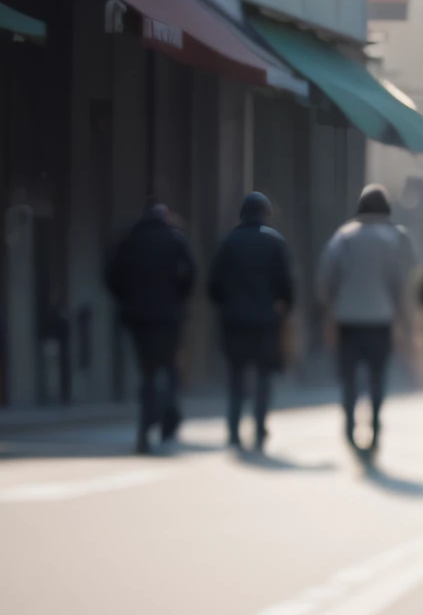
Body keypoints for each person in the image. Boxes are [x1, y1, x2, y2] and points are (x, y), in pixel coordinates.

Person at [317, 184, 413, 456]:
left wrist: (329, 313)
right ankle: (374, 429)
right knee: (377, 377)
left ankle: (349, 426)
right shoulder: (391, 238)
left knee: (348, 377)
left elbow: (326, 280)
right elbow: (400, 283)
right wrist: (405, 323)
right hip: (380, 320)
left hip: (347, 320)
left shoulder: (343, 237)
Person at [102, 199, 192, 453]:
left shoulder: (130, 241)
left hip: (139, 318)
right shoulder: (175, 239)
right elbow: (190, 276)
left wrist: (127, 299)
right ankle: (165, 420)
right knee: (169, 370)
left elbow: (111, 276)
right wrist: (178, 299)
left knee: (148, 373)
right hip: (169, 318)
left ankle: (147, 426)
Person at [208, 191, 294, 454]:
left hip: (234, 320)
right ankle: (259, 429)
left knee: (236, 375)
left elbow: (213, 285)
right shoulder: (275, 242)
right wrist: (283, 308)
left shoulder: (229, 243)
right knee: (263, 377)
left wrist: (225, 305)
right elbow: (286, 285)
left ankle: (233, 430)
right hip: (266, 321)